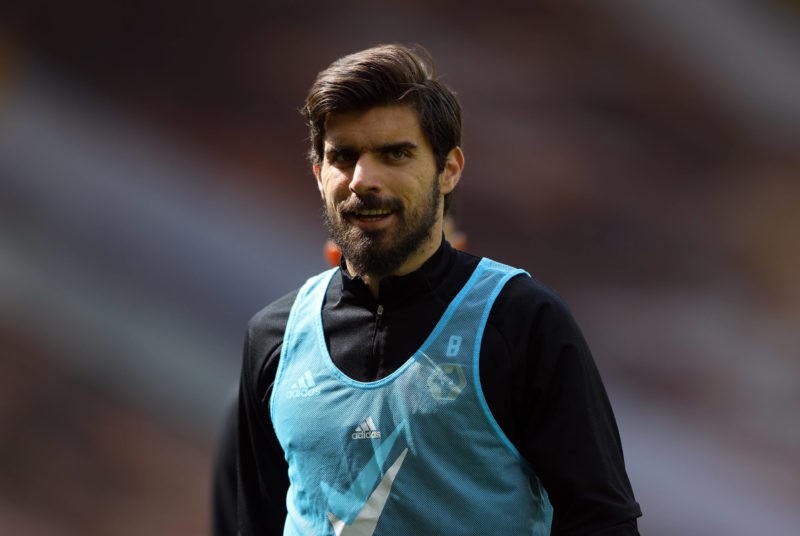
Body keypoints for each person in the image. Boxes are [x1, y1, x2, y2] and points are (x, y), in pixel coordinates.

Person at [220, 43, 641, 535]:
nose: (363, 180)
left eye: (395, 154)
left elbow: (602, 522)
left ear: (449, 171)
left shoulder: (521, 321)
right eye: (343, 156)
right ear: (319, 174)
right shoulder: (273, 338)